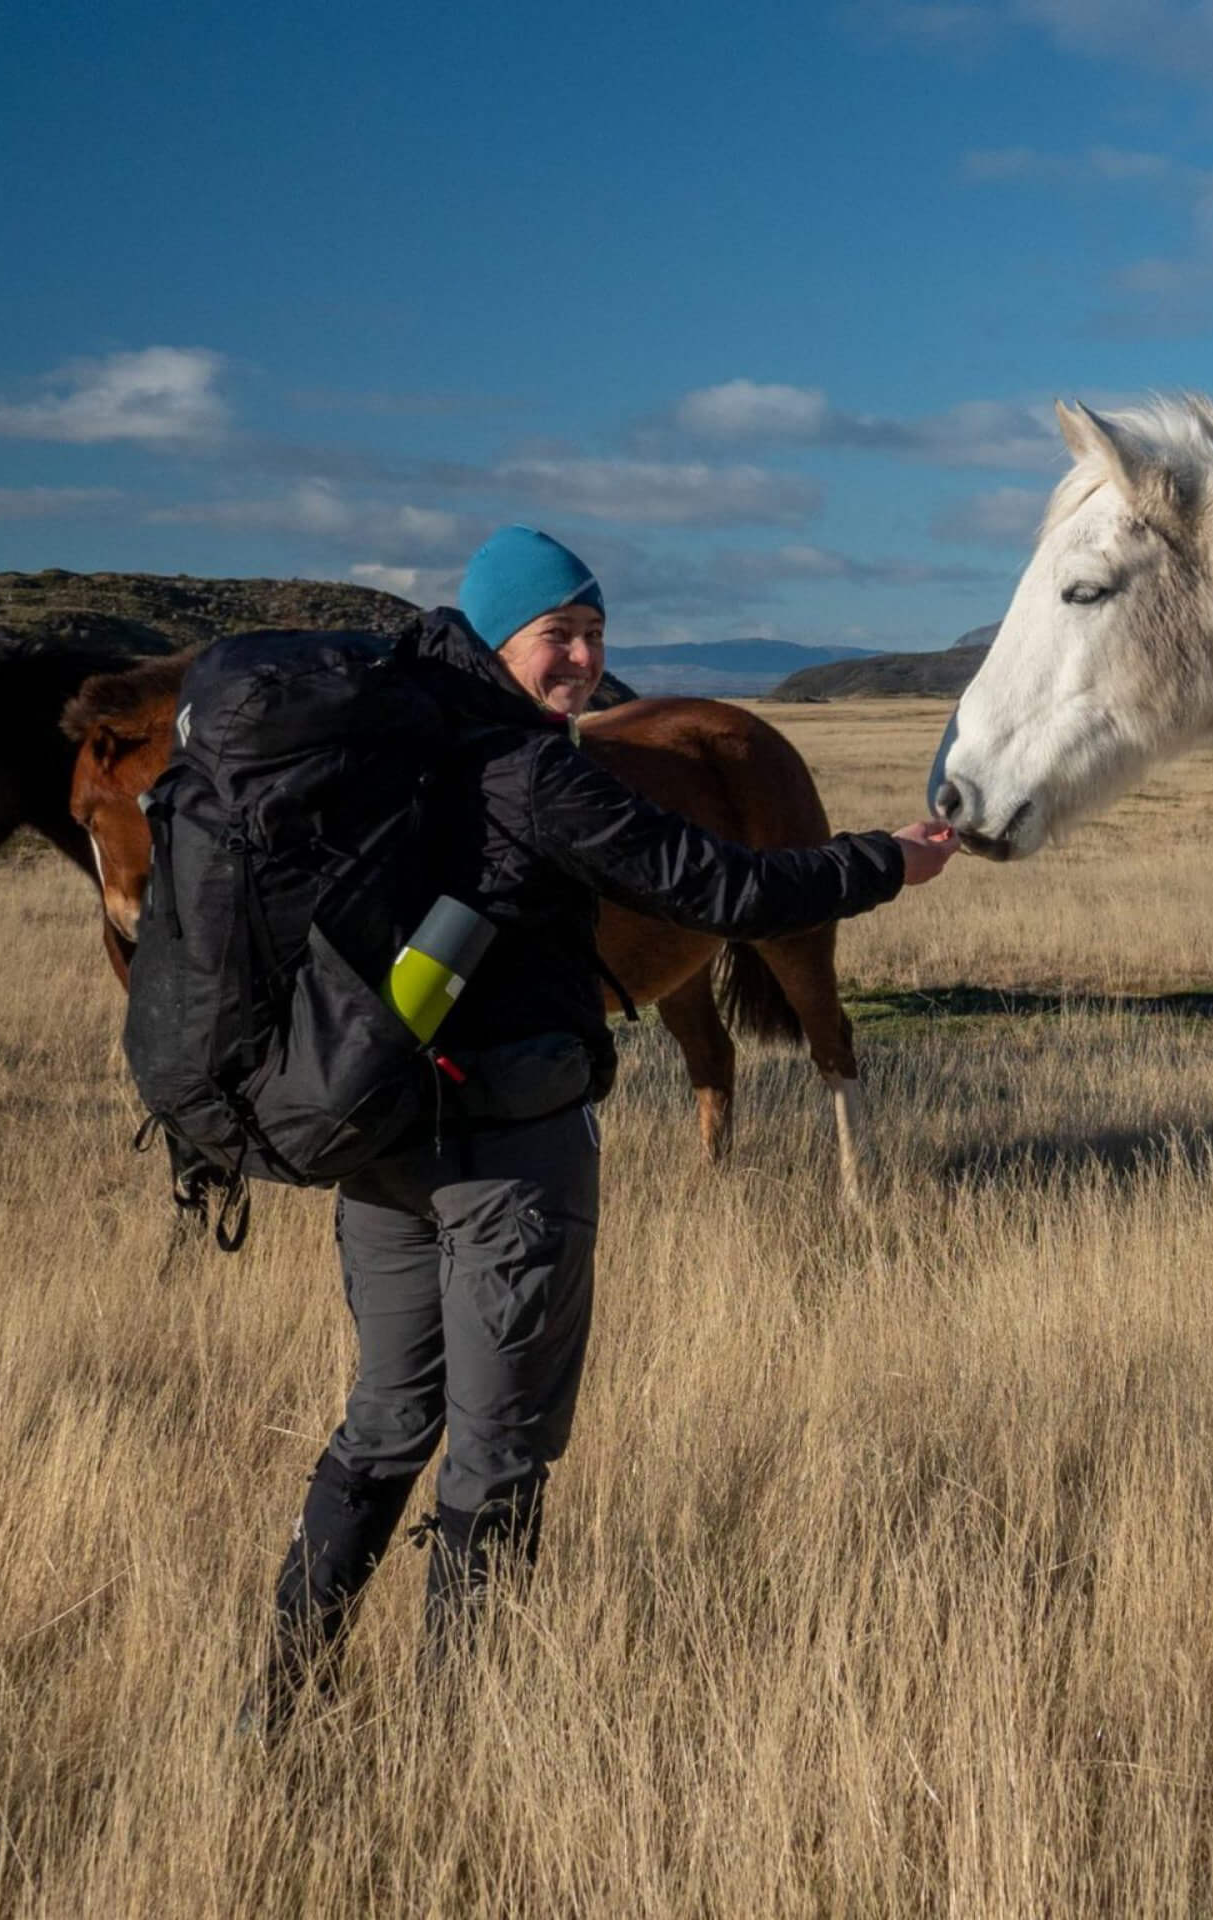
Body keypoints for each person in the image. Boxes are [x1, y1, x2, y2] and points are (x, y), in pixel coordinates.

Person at [253, 525, 956, 1729]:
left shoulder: (395, 754)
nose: (581, 661)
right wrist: (884, 861)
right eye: (555, 636)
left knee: (381, 1423)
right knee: (502, 1448)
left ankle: (280, 1698)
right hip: (509, 1146)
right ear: (492, 636)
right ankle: (459, 1730)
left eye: (594, 636)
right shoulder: (534, 773)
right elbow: (724, 888)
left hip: (378, 1138)